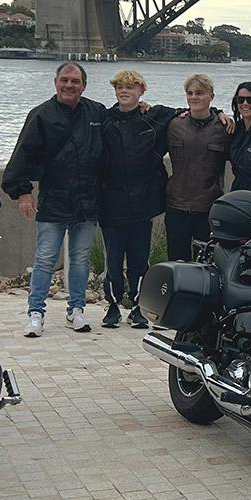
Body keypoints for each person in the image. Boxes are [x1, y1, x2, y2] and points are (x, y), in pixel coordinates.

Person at [3, 61, 106, 336]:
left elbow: (123, 126)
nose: (69, 85)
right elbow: (23, 155)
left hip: (87, 201)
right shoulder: (41, 115)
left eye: (75, 81)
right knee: (45, 259)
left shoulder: (96, 112)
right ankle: (35, 313)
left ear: (83, 86)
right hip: (53, 200)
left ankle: (77, 309)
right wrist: (24, 193)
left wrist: (144, 108)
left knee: (81, 259)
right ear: (56, 83)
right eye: (64, 80)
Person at [97, 70, 167, 329]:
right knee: (113, 261)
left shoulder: (153, 118)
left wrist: (219, 113)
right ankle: (113, 305)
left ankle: (138, 307)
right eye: (120, 88)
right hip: (111, 205)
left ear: (141, 91)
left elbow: (190, 112)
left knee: (139, 261)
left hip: (142, 204)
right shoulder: (104, 120)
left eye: (130, 87)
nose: (124, 92)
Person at [164, 73, 233, 260]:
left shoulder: (225, 128)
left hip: (209, 207)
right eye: (190, 93)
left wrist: (219, 113)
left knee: (207, 263)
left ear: (211, 96)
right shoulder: (173, 125)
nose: (194, 97)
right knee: (177, 263)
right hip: (176, 206)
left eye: (200, 93)